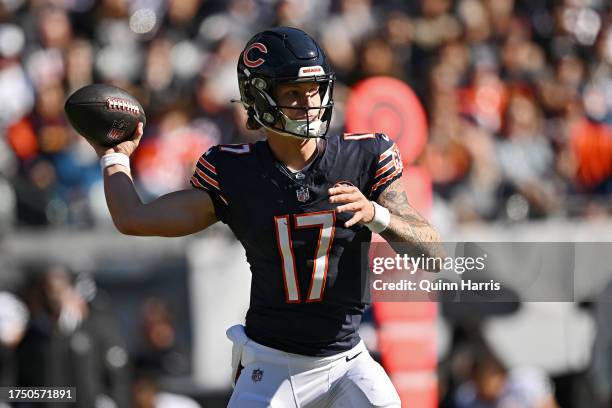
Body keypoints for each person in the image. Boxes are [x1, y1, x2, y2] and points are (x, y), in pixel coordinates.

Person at [87, 26, 441, 407]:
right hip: (273, 364)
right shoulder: (235, 172)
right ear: (259, 98)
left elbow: (436, 255)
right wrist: (114, 155)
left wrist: (378, 215)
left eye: (313, 89)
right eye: (292, 93)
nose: (309, 103)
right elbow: (133, 217)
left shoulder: (363, 157)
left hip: (348, 360)